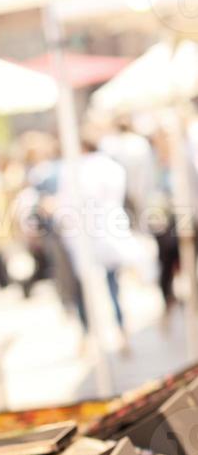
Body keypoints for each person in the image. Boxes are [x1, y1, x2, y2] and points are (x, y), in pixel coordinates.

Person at [58, 131, 133, 352]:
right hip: (109, 231)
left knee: (84, 289)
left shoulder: (76, 170)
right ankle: (121, 330)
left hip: (86, 235)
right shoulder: (112, 167)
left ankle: (88, 334)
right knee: (113, 287)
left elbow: (68, 204)